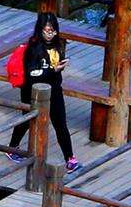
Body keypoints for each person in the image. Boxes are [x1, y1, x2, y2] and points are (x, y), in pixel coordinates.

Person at [8, 9, 78, 169]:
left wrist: (58, 68)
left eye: (53, 31)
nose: (50, 34)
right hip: (32, 90)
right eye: (47, 31)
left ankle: (70, 158)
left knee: (60, 123)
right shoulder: (33, 49)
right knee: (27, 119)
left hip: (54, 89)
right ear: (40, 30)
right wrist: (53, 70)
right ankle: (12, 147)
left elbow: (55, 67)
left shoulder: (60, 44)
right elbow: (32, 74)